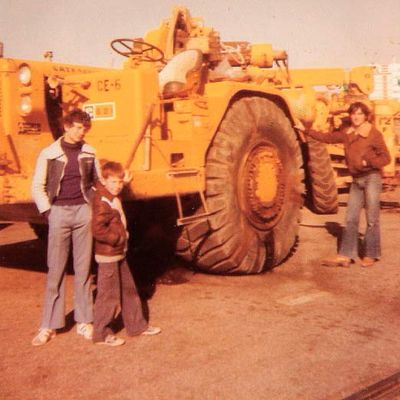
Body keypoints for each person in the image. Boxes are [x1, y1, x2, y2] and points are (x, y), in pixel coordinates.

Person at [31, 109, 99, 346]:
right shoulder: (49, 153)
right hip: (58, 212)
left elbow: (96, 182)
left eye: (85, 128)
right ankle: (49, 325)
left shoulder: (90, 152)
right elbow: (37, 186)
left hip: (83, 213)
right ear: (67, 127)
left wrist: (92, 206)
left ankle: (84, 321)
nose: (82, 132)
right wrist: (49, 212)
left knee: (83, 269)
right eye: (78, 127)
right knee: (56, 270)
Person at [297, 101, 391, 268]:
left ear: (366, 116)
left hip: (371, 178)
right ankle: (345, 255)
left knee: (372, 219)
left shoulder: (373, 134)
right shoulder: (347, 133)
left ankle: (370, 254)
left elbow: (386, 158)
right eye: (353, 113)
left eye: (360, 114)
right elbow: (327, 138)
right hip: (356, 180)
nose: (356, 117)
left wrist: (368, 161)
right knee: (350, 218)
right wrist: (305, 130)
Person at [92, 161, 161, 346]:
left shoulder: (112, 195)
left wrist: (125, 181)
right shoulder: (103, 202)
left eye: (120, 182)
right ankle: (101, 334)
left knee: (128, 290)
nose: (117, 186)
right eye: (113, 182)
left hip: (118, 253)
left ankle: (136, 326)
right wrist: (118, 238)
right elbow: (98, 230)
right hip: (109, 255)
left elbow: (116, 189)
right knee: (108, 295)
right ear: (103, 181)